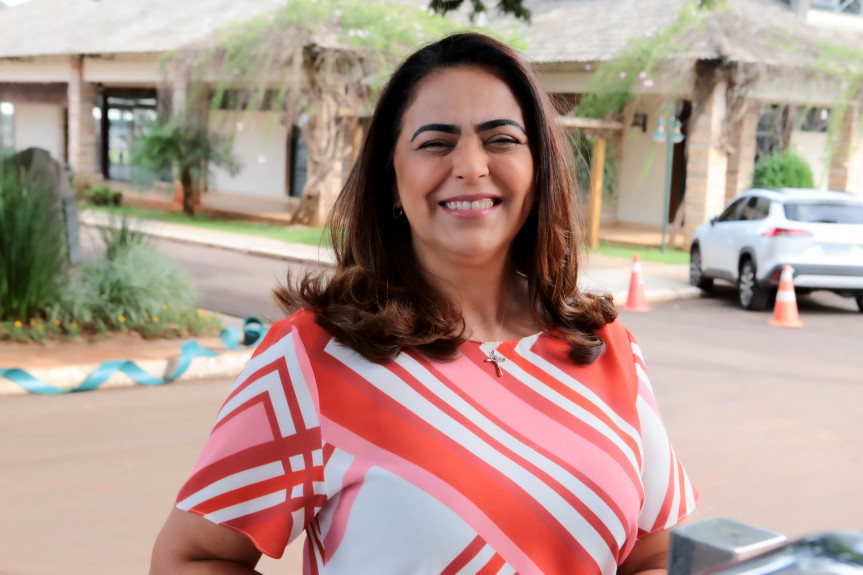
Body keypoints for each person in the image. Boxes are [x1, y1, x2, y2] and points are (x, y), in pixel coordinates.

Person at [150, 32, 698, 575]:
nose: (471, 166)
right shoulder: (313, 358)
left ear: (539, 171)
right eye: (436, 143)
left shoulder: (609, 351)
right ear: (392, 178)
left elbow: (655, 558)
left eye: (501, 139)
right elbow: (190, 558)